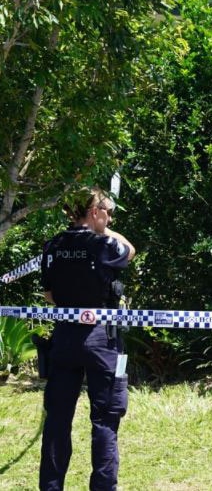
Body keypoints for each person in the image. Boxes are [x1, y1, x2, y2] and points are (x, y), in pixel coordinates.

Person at [39, 187, 136, 491]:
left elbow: (49, 295)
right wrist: (104, 228)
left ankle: (51, 486)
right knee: (105, 420)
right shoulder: (103, 245)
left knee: (56, 420)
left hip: (65, 337)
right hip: (101, 339)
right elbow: (130, 250)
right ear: (95, 212)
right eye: (108, 211)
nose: (110, 217)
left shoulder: (53, 245)